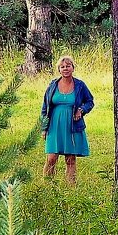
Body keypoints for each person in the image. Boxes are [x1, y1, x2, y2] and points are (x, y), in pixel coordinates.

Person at [40, 55, 94, 185]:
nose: (65, 69)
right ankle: (47, 187)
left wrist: (81, 110)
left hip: (72, 126)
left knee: (70, 159)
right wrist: (43, 128)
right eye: (62, 67)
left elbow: (90, 101)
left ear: (73, 68)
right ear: (59, 69)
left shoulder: (80, 85)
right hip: (54, 126)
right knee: (51, 158)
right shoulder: (53, 85)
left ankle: (71, 189)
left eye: (68, 66)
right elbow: (44, 108)